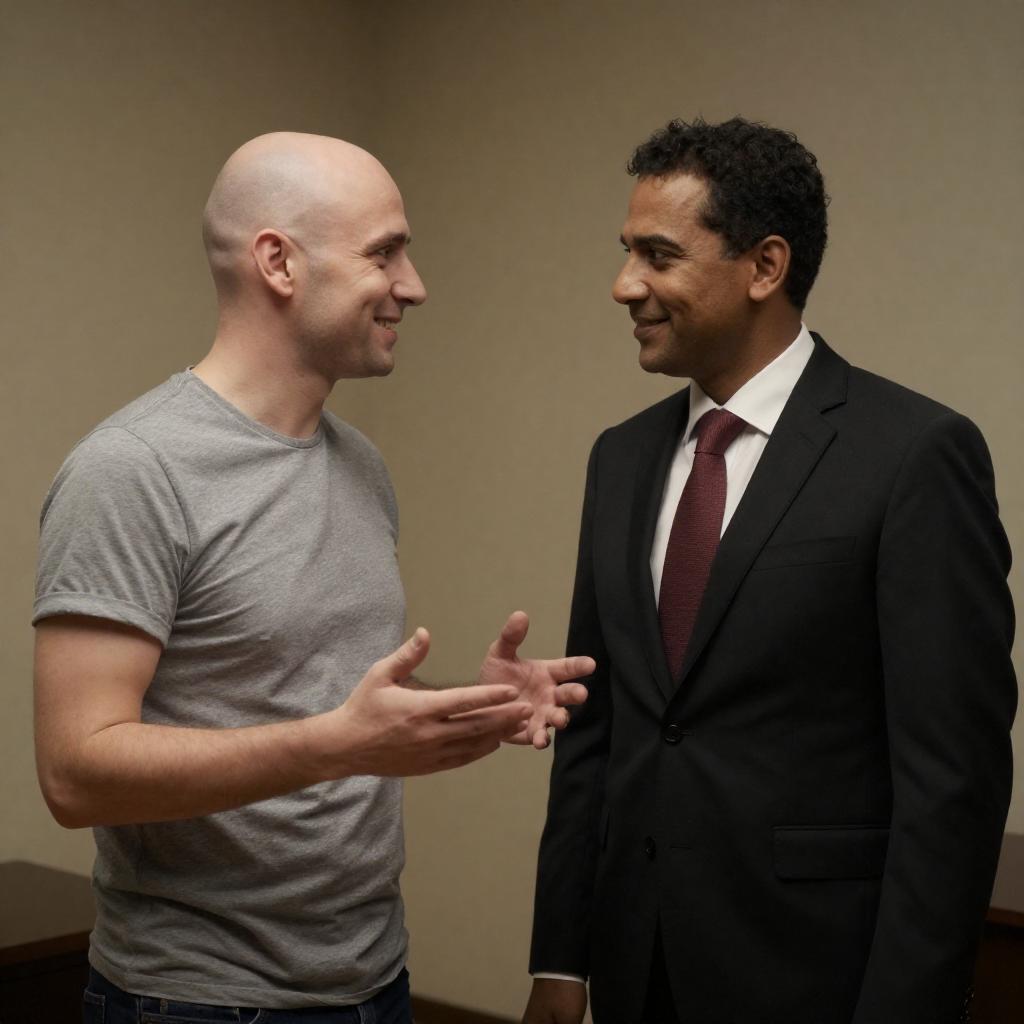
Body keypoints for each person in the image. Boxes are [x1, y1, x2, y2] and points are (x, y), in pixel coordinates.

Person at [33, 132, 593, 1024]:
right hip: (194, 1001)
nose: (414, 284)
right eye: (384, 252)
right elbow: (76, 775)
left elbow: (320, 703)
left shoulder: (360, 463)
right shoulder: (131, 470)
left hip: (374, 983)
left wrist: (467, 707)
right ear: (278, 262)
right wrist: (341, 744)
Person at [524, 118, 1016, 1024]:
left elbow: (953, 779)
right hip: (635, 966)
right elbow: (597, 730)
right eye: (627, 252)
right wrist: (561, 958)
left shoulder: (912, 454)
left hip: (817, 975)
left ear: (765, 266)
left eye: (658, 255)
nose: (624, 284)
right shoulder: (620, 459)